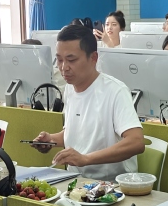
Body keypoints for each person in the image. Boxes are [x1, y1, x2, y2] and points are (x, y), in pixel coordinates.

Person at [32, 24, 145, 181]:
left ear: (93, 58)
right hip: (75, 181)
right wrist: (52, 140)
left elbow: (136, 142)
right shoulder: (69, 88)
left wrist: (86, 159)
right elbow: (80, 133)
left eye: (71, 60)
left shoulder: (115, 91)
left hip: (111, 184)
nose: (64, 67)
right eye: (59, 60)